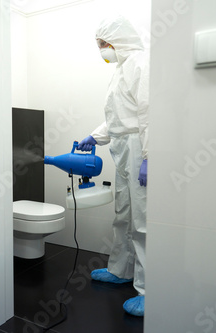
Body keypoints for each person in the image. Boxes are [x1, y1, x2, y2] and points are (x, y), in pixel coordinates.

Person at [77, 15, 149, 317]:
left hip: (138, 147)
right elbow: (119, 116)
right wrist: (94, 137)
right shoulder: (121, 69)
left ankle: (150, 291)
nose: (102, 50)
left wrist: (150, 155)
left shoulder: (141, 63)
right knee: (123, 214)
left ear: (118, 40)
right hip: (122, 147)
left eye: (103, 44)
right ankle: (121, 270)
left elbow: (148, 111)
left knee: (144, 220)